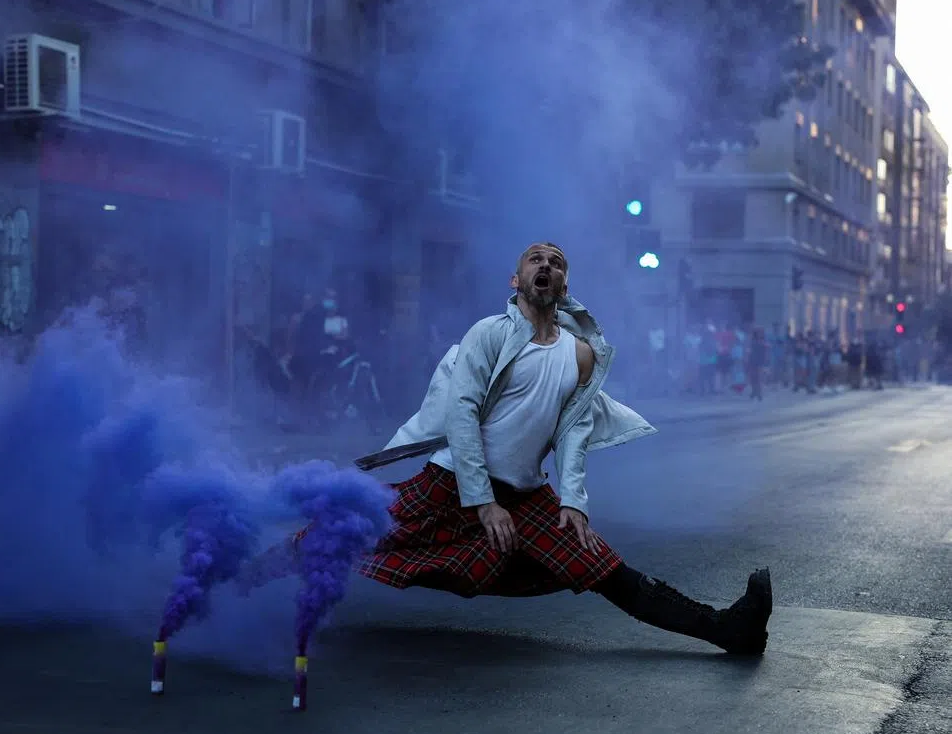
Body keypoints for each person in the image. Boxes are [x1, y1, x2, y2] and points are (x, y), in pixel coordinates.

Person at [241, 243, 772, 655]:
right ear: (516, 280)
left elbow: (572, 433)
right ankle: (238, 584)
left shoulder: (580, 357)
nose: (547, 264)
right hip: (447, 485)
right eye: (535, 259)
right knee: (337, 534)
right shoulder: (488, 334)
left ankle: (729, 630)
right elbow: (461, 416)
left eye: (557, 262)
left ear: (563, 285)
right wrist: (481, 499)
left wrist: (573, 502)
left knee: (604, 567)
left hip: (525, 497)